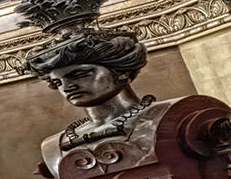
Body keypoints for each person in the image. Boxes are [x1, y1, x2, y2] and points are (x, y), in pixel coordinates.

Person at [24, 30, 152, 148]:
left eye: (79, 75)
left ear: (122, 72)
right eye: (57, 82)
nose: (66, 87)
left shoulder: (161, 118)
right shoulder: (53, 145)